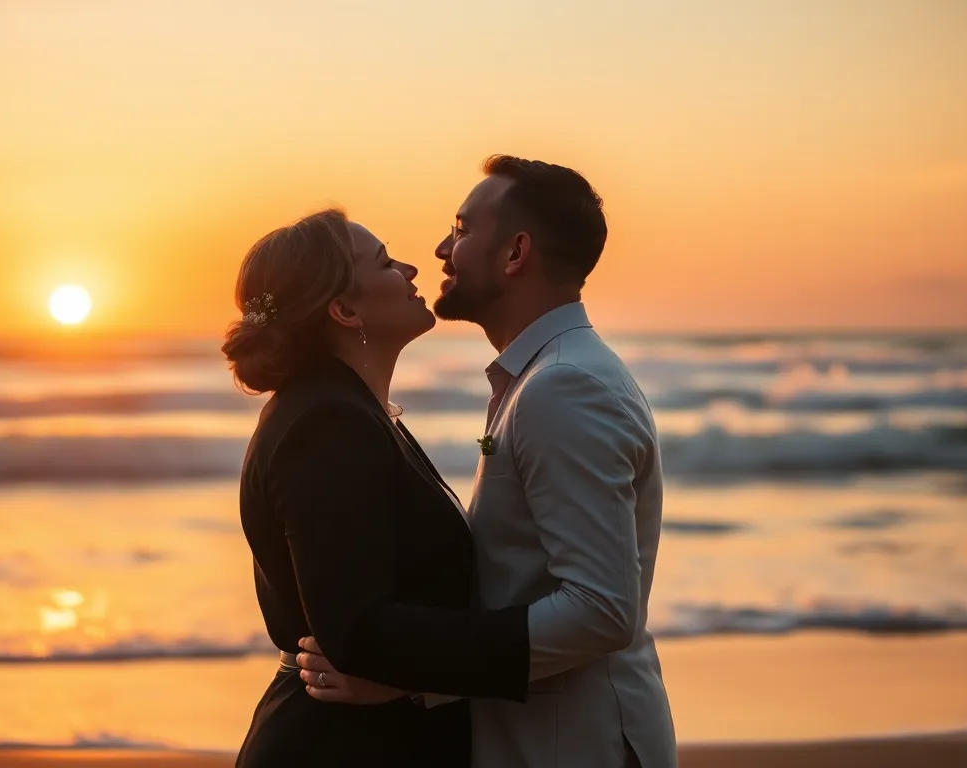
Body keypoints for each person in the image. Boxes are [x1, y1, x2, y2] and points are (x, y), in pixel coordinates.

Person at [296, 156, 678, 767]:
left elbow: (602, 609)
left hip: (576, 747)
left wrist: (415, 678)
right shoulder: (543, 378)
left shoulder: (562, 387)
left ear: (515, 253)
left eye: (463, 228)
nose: (443, 248)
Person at [222, 208, 534, 768]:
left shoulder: (352, 411)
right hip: (340, 746)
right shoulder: (326, 424)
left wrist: (412, 684)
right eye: (387, 262)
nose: (413, 269)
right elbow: (357, 629)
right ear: (344, 310)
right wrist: (538, 643)